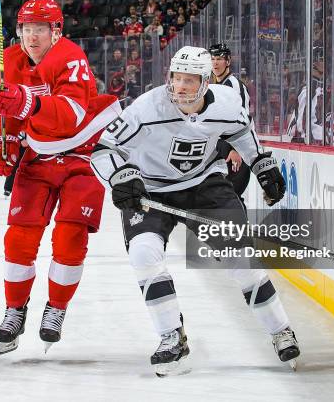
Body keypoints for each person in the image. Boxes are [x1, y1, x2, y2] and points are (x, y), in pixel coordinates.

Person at [90, 46, 299, 377]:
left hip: (205, 185)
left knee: (241, 260)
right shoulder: (146, 108)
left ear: (206, 82)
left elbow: (242, 132)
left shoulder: (227, 104)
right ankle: (171, 335)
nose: (181, 86)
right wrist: (119, 177)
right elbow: (103, 151)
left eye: (190, 80)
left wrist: (260, 163)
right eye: (176, 78)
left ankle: (280, 330)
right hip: (152, 189)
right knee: (144, 253)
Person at [0, 0, 121, 355]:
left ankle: (56, 310)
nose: (31, 36)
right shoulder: (12, 60)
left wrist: (25, 103)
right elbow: (13, 114)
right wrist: (9, 144)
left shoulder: (70, 56)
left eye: (40, 29)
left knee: (69, 238)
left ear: (56, 31)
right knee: (18, 238)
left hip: (82, 153)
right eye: (26, 29)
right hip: (38, 156)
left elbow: (71, 115)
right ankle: (15, 311)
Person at [209, 42, 252, 206]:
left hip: (236, 151)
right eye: (212, 59)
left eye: (219, 59)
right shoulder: (215, 86)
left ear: (228, 61)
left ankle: (239, 231)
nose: (215, 63)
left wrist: (236, 149)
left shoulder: (233, 84)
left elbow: (243, 119)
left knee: (231, 196)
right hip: (222, 150)